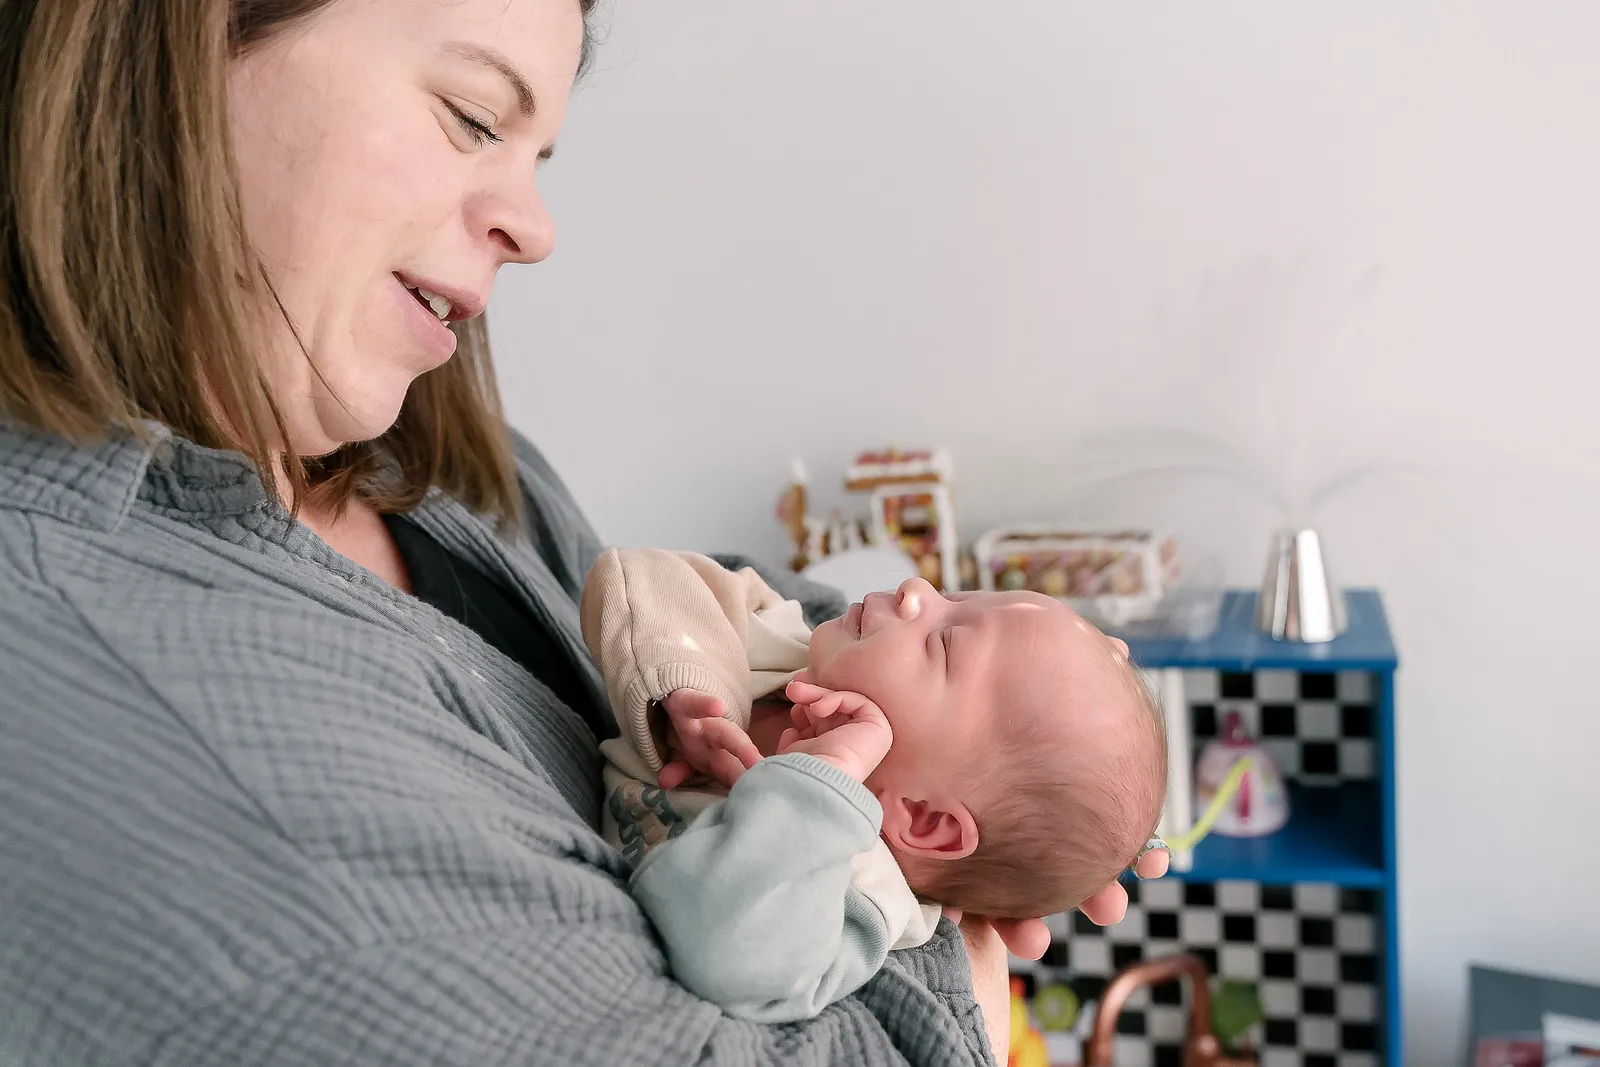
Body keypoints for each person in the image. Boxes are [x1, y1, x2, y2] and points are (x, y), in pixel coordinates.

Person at [0, 2, 1167, 1065]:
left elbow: (761, 610)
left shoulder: (451, 470)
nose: (535, 226)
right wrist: (946, 937)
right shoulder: (167, 710)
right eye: (471, 116)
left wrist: (1023, 780)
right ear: (175, 47)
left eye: (534, 153)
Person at [581, 549, 1168, 1022]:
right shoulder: (780, 644)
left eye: (943, 643)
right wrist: (683, 687)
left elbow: (724, 952)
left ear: (923, 818)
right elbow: (643, 573)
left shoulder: (865, 894)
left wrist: (823, 779)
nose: (917, 589)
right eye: (957, 596)